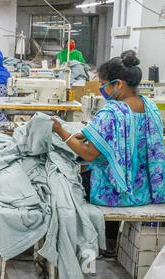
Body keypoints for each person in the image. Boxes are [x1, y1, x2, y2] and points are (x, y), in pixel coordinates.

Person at [52, 50, 165, 207]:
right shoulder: (150, 106)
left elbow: (89, 154)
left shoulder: (111, 113)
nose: (101, 88)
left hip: (113, 193)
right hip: (145, 190)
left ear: (118, 84)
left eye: (102, 84)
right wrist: (90, 135)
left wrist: (61, 131)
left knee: (59, 184)